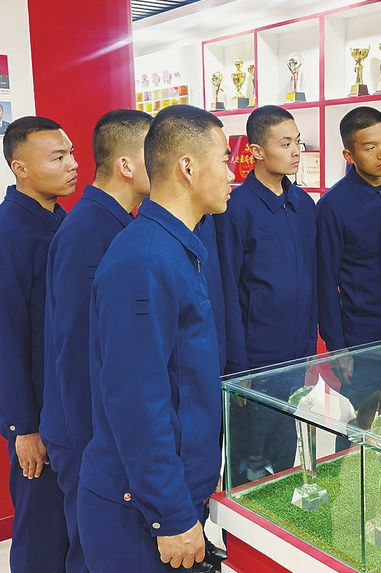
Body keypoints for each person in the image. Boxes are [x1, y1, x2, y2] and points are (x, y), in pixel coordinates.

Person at [79, 104, 232, 573]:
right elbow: (136, 401)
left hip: (172, 492)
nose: (232, 174)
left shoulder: (175, 247)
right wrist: (171, 513)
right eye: (225, 160)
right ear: (188, 167)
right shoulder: (145, 260)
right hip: (139, 512)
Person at [43, 109, 152, 573]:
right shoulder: (89, 230)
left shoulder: (117, 222)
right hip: (86, 434)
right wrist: (96, 448)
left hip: (103, 434)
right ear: (126, 165)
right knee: (93, 555)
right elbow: (74, 347)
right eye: (154, 153)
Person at [0, 116, 77, 573]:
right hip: (39, 417)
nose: (72, 165)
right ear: (20, 168)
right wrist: (24, 428)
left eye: (71, 153)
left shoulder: (60, 220)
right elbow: (2, 339)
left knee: (72, 530)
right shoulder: (4, 234)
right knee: (41, 532)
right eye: (57, 157)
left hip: (68, 407)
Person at [215, 105, 317, 482]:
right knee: (249, 464)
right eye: (285, 143)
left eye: (297, 142)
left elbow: (310, 278)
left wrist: (309, 346)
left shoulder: (303, 204)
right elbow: (228, 289)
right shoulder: (234, 208)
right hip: (255, 362)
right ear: (256, 151)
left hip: (295, 357)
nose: (296, 151)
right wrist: (238, 368)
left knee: (285, 455)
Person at [316, 107, 381, 407]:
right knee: (363, 419)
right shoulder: (333, 205)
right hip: (363, 336)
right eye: (370, 148)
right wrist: (338, 347)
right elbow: (325, 280)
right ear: (349, 155)